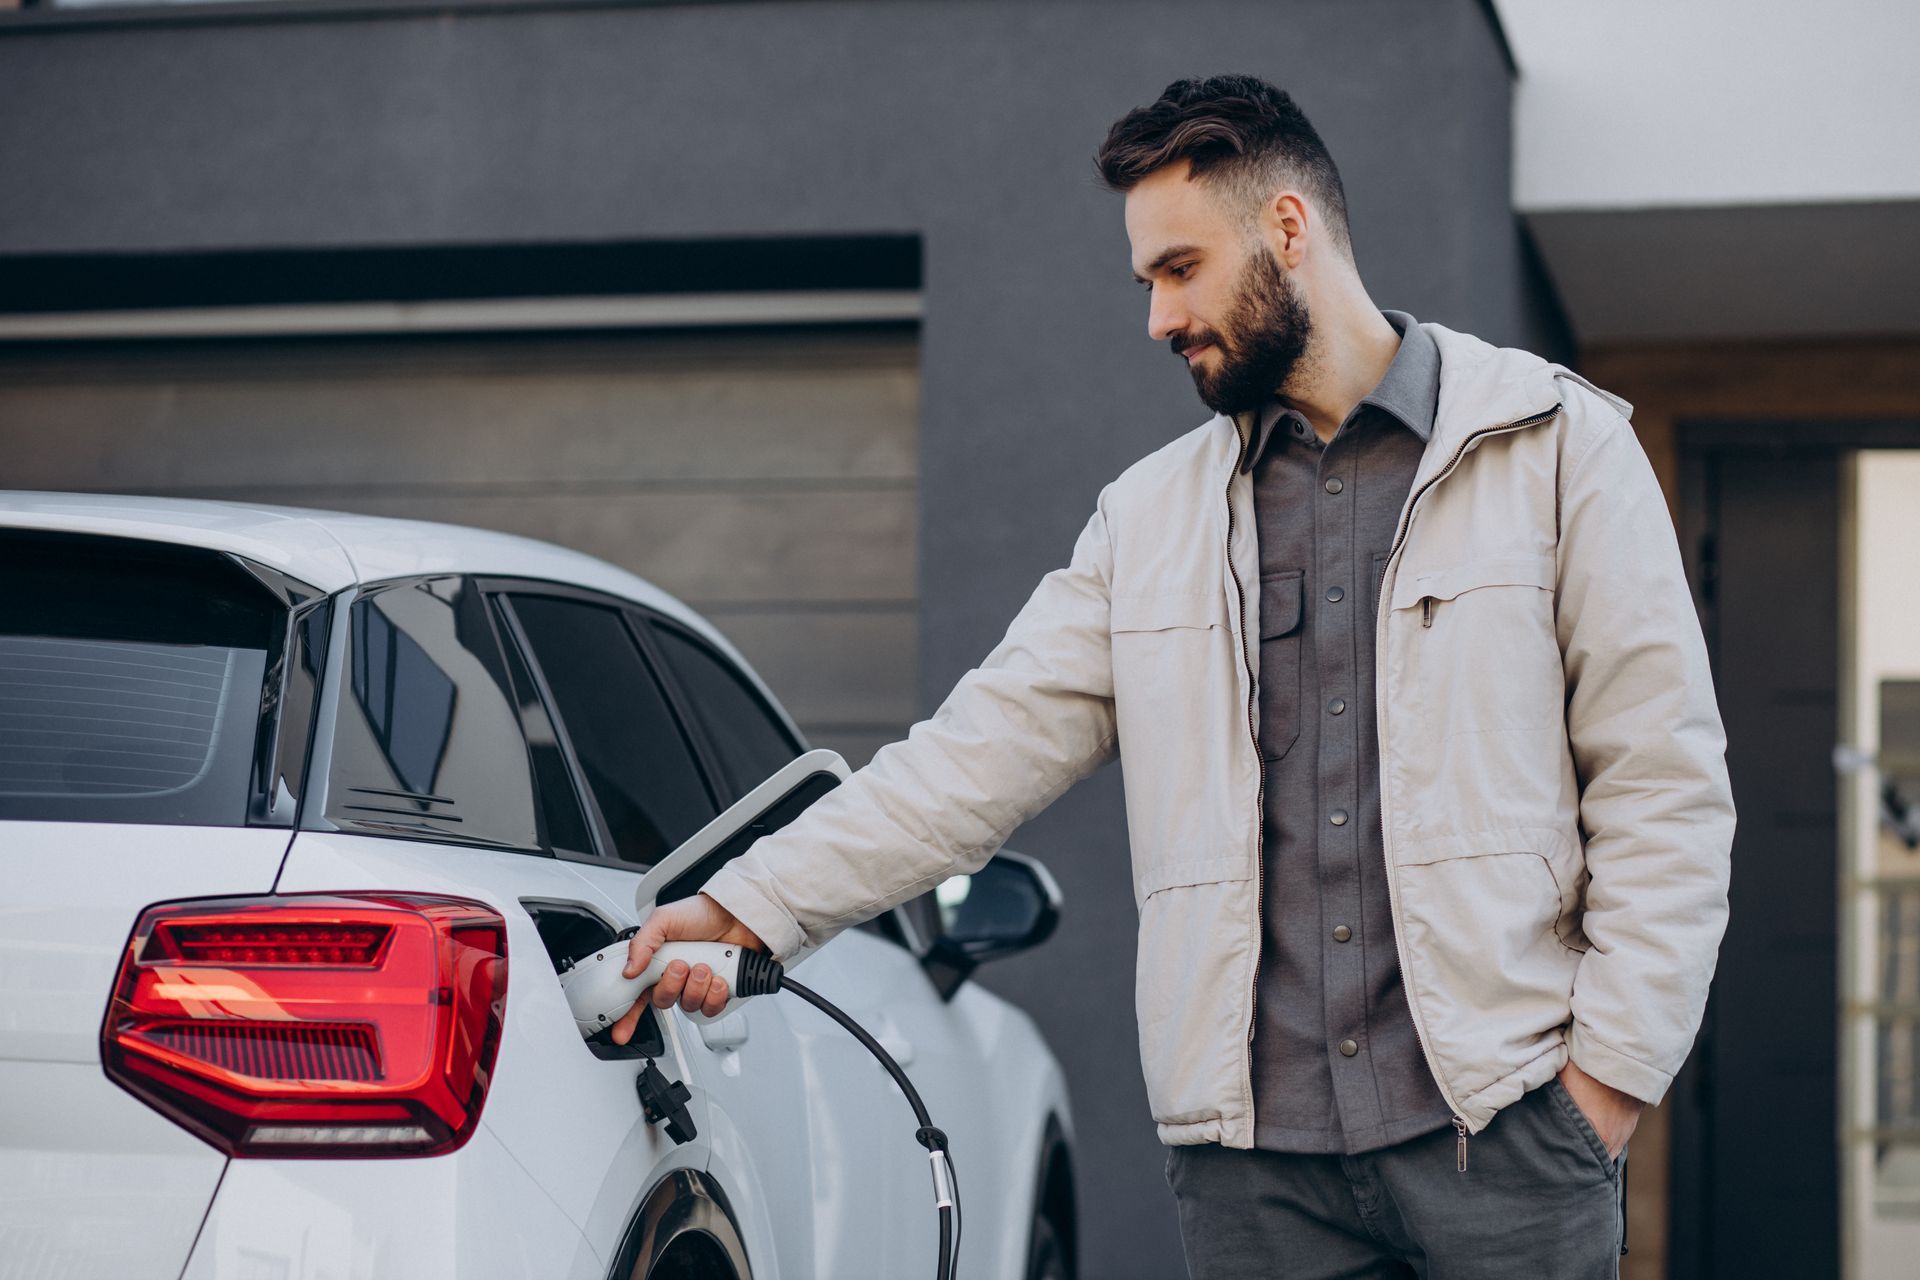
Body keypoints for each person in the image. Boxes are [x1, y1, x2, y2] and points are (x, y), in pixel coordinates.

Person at [610, 74, 1734, 1278]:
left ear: (1288, 230)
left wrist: (1600, 1088)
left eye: (1180, 269)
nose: (1157, 316)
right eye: (1147, 279)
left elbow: (1662, 786)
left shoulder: (1558, 449)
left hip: (1504, 1143)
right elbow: (968, 761)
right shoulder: (1148, 523)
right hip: (1256, 1182)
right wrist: (749, 902)